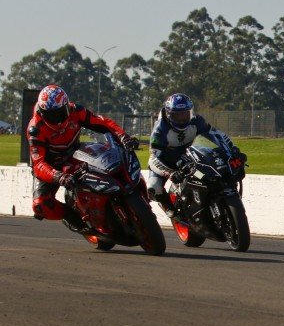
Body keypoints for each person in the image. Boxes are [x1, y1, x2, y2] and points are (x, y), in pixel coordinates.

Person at [27, 84, 136, 231]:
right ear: (42, 112)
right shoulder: (36, 129)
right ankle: (74, 218)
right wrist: (58, 176)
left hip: (74, 153)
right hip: (50, 166)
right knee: (40, 205)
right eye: (52, 115)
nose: (58, 120)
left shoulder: (76, 111)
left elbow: (103, 122)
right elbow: (38, 164)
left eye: (61, 112)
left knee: (111, 164)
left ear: (67, 106)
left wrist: (123, 136)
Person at [147, 93, 235, 217]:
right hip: (164, 160)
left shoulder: (196, 121)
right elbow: (154, 157)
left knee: (204, 175)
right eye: (177, 115)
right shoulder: (160, 130)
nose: (182, 118)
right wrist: (170, 173)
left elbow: (217, 135)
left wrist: (232, 149)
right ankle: (167, 206)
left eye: (185, 113)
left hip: (186, 156)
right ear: (169, 114)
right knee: (153, 188)